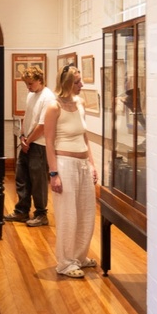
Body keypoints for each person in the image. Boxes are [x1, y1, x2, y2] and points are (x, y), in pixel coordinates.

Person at [43, 65, 99, 278]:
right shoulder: (54, 107)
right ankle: (65, 263)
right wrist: (53, 173)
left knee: (86, 213)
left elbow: (85, 136)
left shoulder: (80, 103)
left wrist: (92, 164)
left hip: (83, 163)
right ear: (66, 83)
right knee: (68, 215)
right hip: (64, 164)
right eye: (77, 82)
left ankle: (79, 257)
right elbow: (49, 143)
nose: (81, 85)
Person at [5, 65, 56, 227]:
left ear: (40, 80)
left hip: (39, 144)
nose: (28, 87)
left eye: (30, 83)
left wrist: (28, 141)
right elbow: (27, 117)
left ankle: (41, 214)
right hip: (27, 141)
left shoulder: (48, 97)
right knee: (22, 177)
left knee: (38, 180)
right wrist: (22, 136)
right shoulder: (31, 95)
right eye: (26, 83)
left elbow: (42, 125)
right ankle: (22, 210)